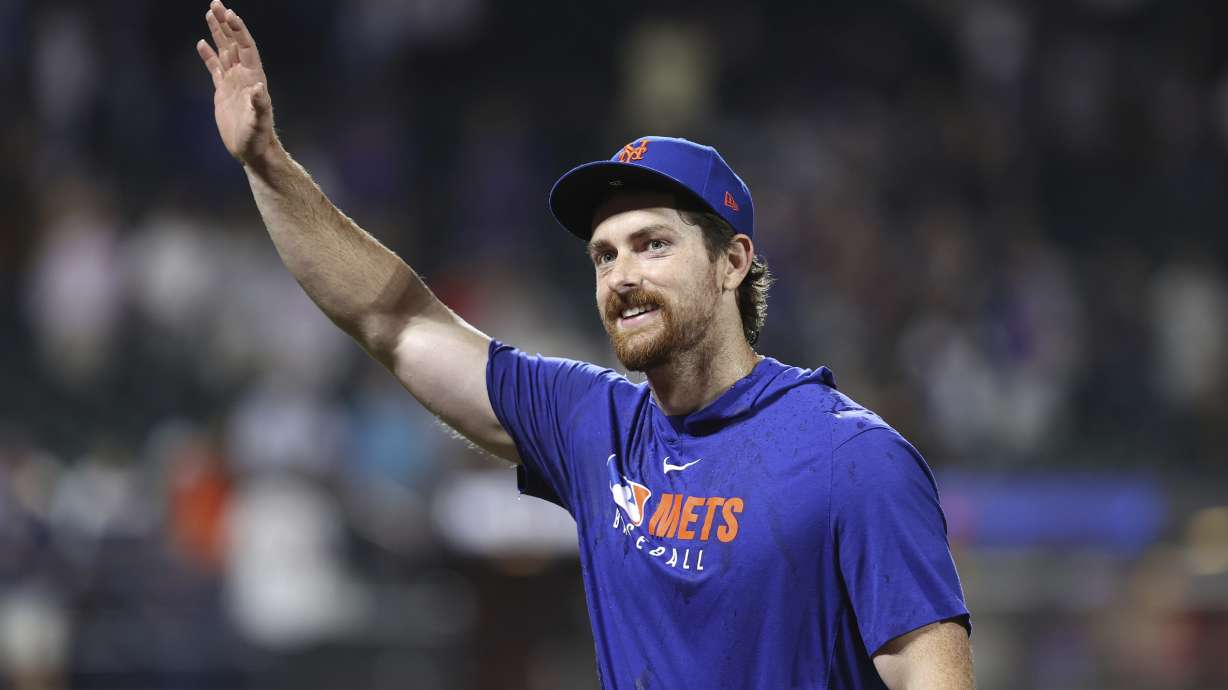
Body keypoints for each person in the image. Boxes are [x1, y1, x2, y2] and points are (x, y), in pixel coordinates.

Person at [195, 2, 975, 687]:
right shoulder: (593, 426)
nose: (621, 275)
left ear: (732, 261)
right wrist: (266, 163)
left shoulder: (853, 458)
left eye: (652, 245)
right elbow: (397, 322)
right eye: (604, 255)